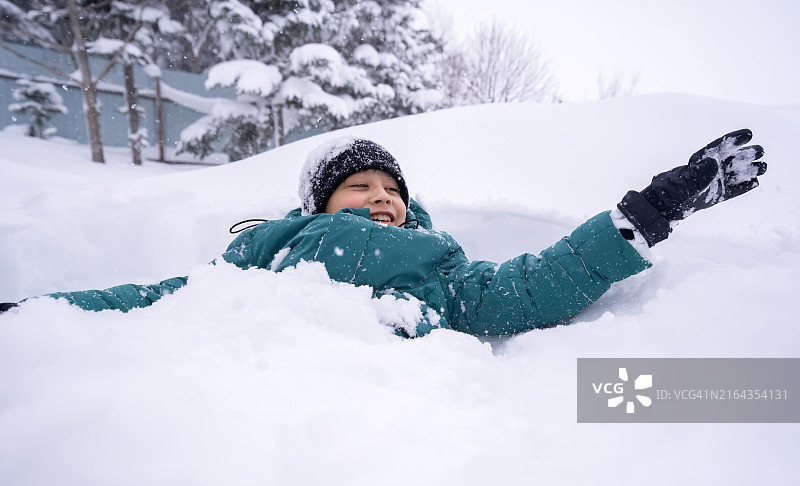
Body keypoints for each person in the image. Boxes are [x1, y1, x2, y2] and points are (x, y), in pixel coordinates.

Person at [0, 131, 767, 337]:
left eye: (392, 190)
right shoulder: (257, 260)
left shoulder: (442, 267)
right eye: (359, 187)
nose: (380, 199)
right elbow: (151, 298)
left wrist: (645, 214)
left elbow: (534, 284)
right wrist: (38, 313)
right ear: (319, 208)